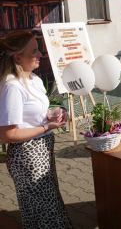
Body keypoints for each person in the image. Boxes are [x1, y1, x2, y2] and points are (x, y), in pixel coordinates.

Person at [0, 31, 73, 229]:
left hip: (42, 150)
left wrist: (50, 114)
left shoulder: (33, 78)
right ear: (17, 57)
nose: (40, 54)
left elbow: (30, 114)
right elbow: (6, 135)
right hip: (27, 157)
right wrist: (45, 127)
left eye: (38, 49)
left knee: (51, 201)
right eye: (34, 51)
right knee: (42, 210)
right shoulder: (12, 87)